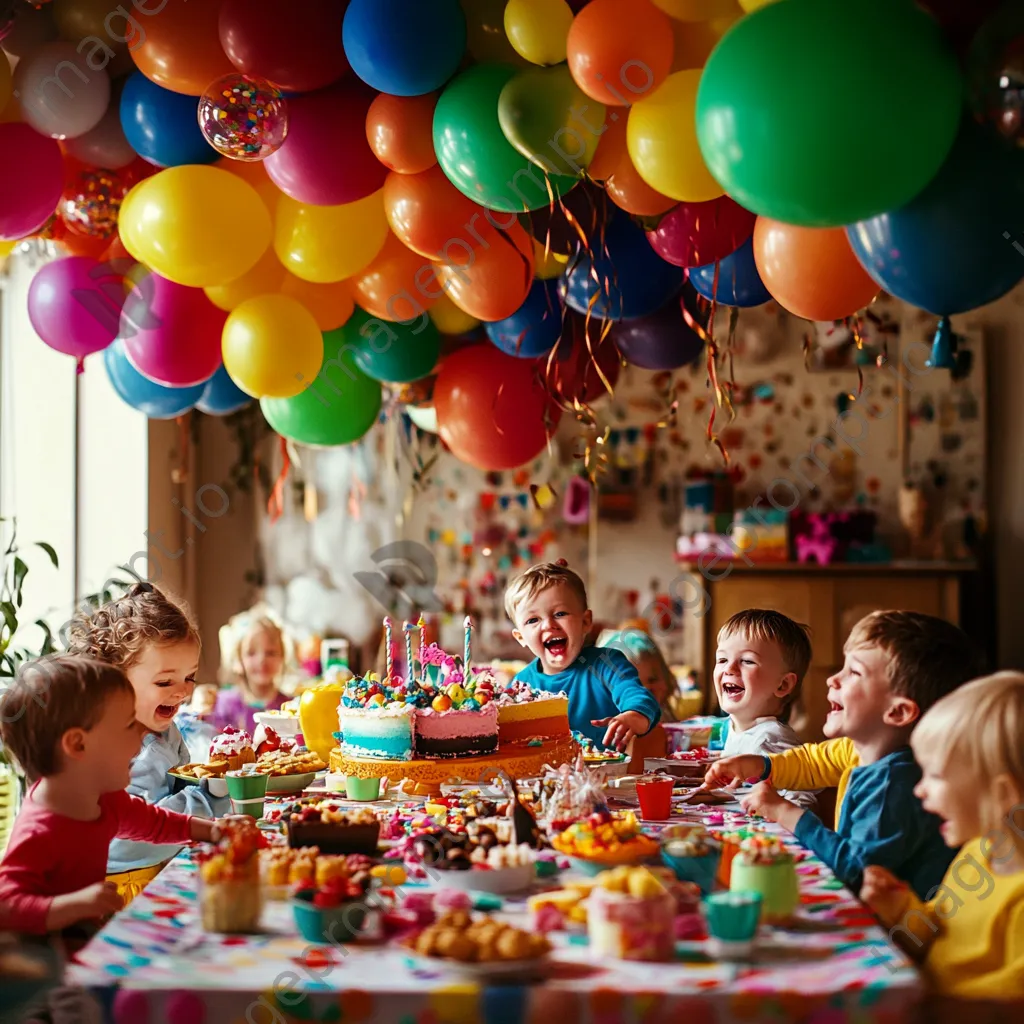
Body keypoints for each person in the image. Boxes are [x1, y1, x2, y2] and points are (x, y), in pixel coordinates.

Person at [704, 610, 979, 899]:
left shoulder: (893, 783)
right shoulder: (857, 750)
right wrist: (760, 764)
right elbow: (811, 762)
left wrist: (785, 812)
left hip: (892, 932)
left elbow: (856, 872)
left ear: (897, 711)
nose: (832, 680)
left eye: (854, 673)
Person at [0, 656, 218, 936]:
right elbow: (7, 907)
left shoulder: (104, 800)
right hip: (44, 964)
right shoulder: (39, 831)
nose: (142, 735)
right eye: (129, 725)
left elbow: (157, 823)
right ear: (78, 744)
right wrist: (74, 906)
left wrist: (214, 831)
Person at [860, 671, 1024, 1003]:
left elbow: (1007, 1006)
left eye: (935, 776)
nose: (920, 789)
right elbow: (934, 934)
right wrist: (899, 909)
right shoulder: (978, 853)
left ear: (1003, 794)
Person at [66, 582, 230, 904]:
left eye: (190, 677)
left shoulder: (166, 731)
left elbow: (180, 787)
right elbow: (129, 837)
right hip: (118, 891)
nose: (183, 692)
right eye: (165, 682)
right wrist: (210, 802)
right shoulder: (103, 749)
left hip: (163, 873)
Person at [506, 560, 660, 750]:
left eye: (560, 613)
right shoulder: (519, 686)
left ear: (586, 622)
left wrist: (633, 716)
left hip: (606, 776)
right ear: (520, 637)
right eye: (533, 620)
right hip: (541, 778)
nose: (548, 625)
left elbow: (638, 696)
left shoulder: (607, 664)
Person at [712, 608, 820, 808]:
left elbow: (803, 802)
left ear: (783, 685)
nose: (729, 669)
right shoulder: (735, 729)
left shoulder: (771, 740)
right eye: (722, 660)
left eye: (747, 661)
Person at [210, 614, 287, 735]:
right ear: (239, 659)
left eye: (271, 653)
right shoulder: (224, 705)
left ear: (282, 657)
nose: (262, 660)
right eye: (251, 653)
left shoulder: (289, 708)